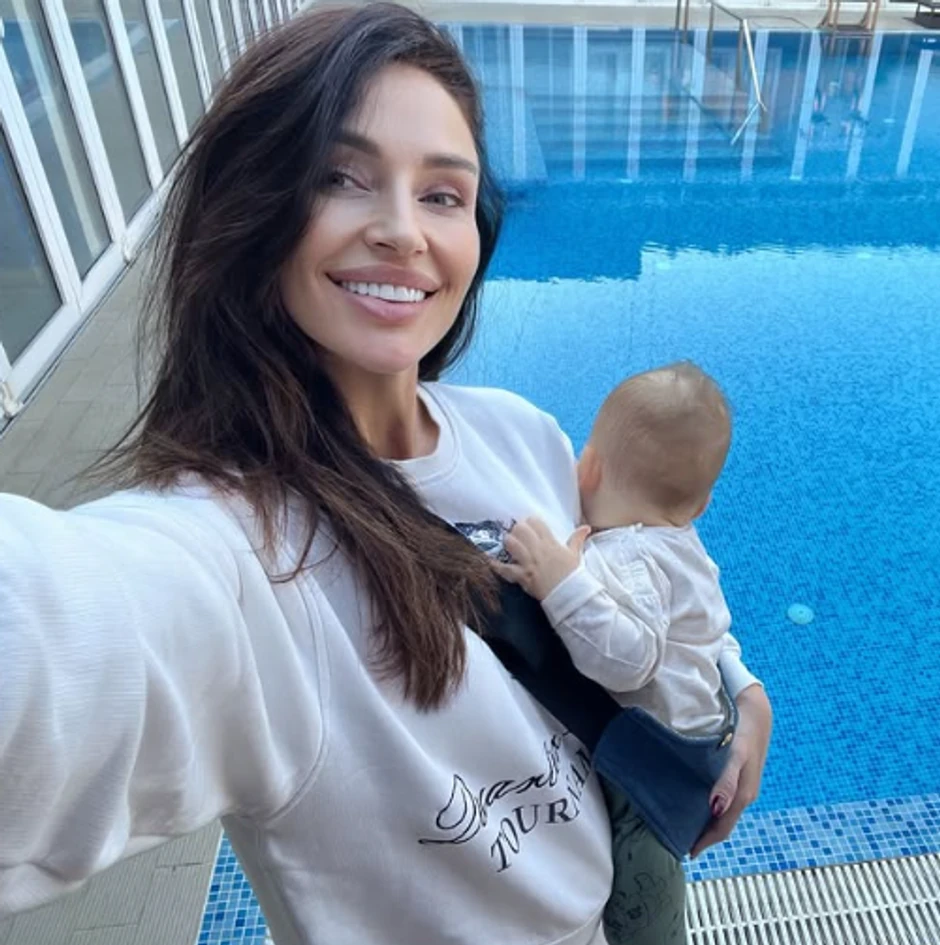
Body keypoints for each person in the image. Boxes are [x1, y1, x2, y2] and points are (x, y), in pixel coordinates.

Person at [0, 6, 772, 945]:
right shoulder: (239, 557)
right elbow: (57, 634)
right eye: (340, 177)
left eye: (443, 194)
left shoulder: (521, 434)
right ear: (258, 206)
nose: (403, 231)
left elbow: (641, 569)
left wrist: (742, 688)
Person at [496, 363, 754, 941]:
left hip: (655, 762)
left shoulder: (627, 558)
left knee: (644, 886)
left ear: (587, 468)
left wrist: (560, 582)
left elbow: (629, 661)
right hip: (701, 730)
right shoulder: (680, 543)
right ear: (701, 505)